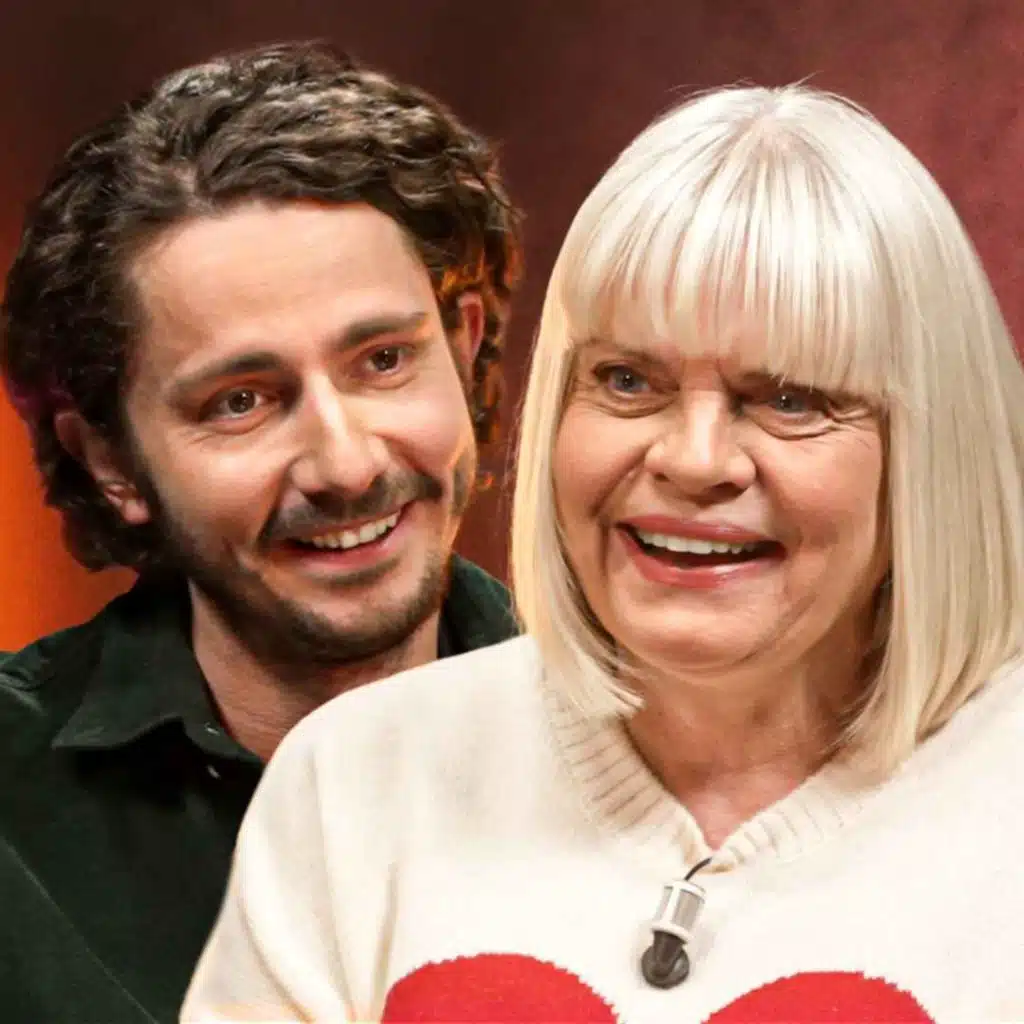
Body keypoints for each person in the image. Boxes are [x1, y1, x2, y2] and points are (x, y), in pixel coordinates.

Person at [183, 82, 1024, 1024]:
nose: (693, 461)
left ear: (930, 448)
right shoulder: (351, 780)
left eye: (789, 399)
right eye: (627, 381)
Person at [0, 41, 522, 1024]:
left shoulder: (660, 751)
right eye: (240, 400)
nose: (346, 464)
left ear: (461, 350)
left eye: (383, 360)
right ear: (110, 461)